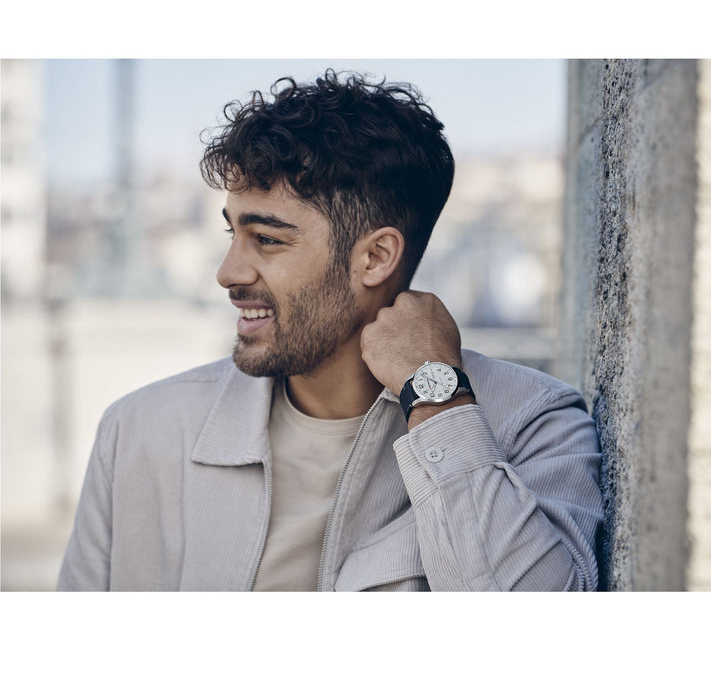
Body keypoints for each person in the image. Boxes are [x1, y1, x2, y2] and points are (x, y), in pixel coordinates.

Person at [57, 70, 603, 591]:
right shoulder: (140, 433)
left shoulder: (533, 424)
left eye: (267, 240)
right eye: (233, 234)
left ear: (376, 257)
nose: (228, 273)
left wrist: (437, 397)